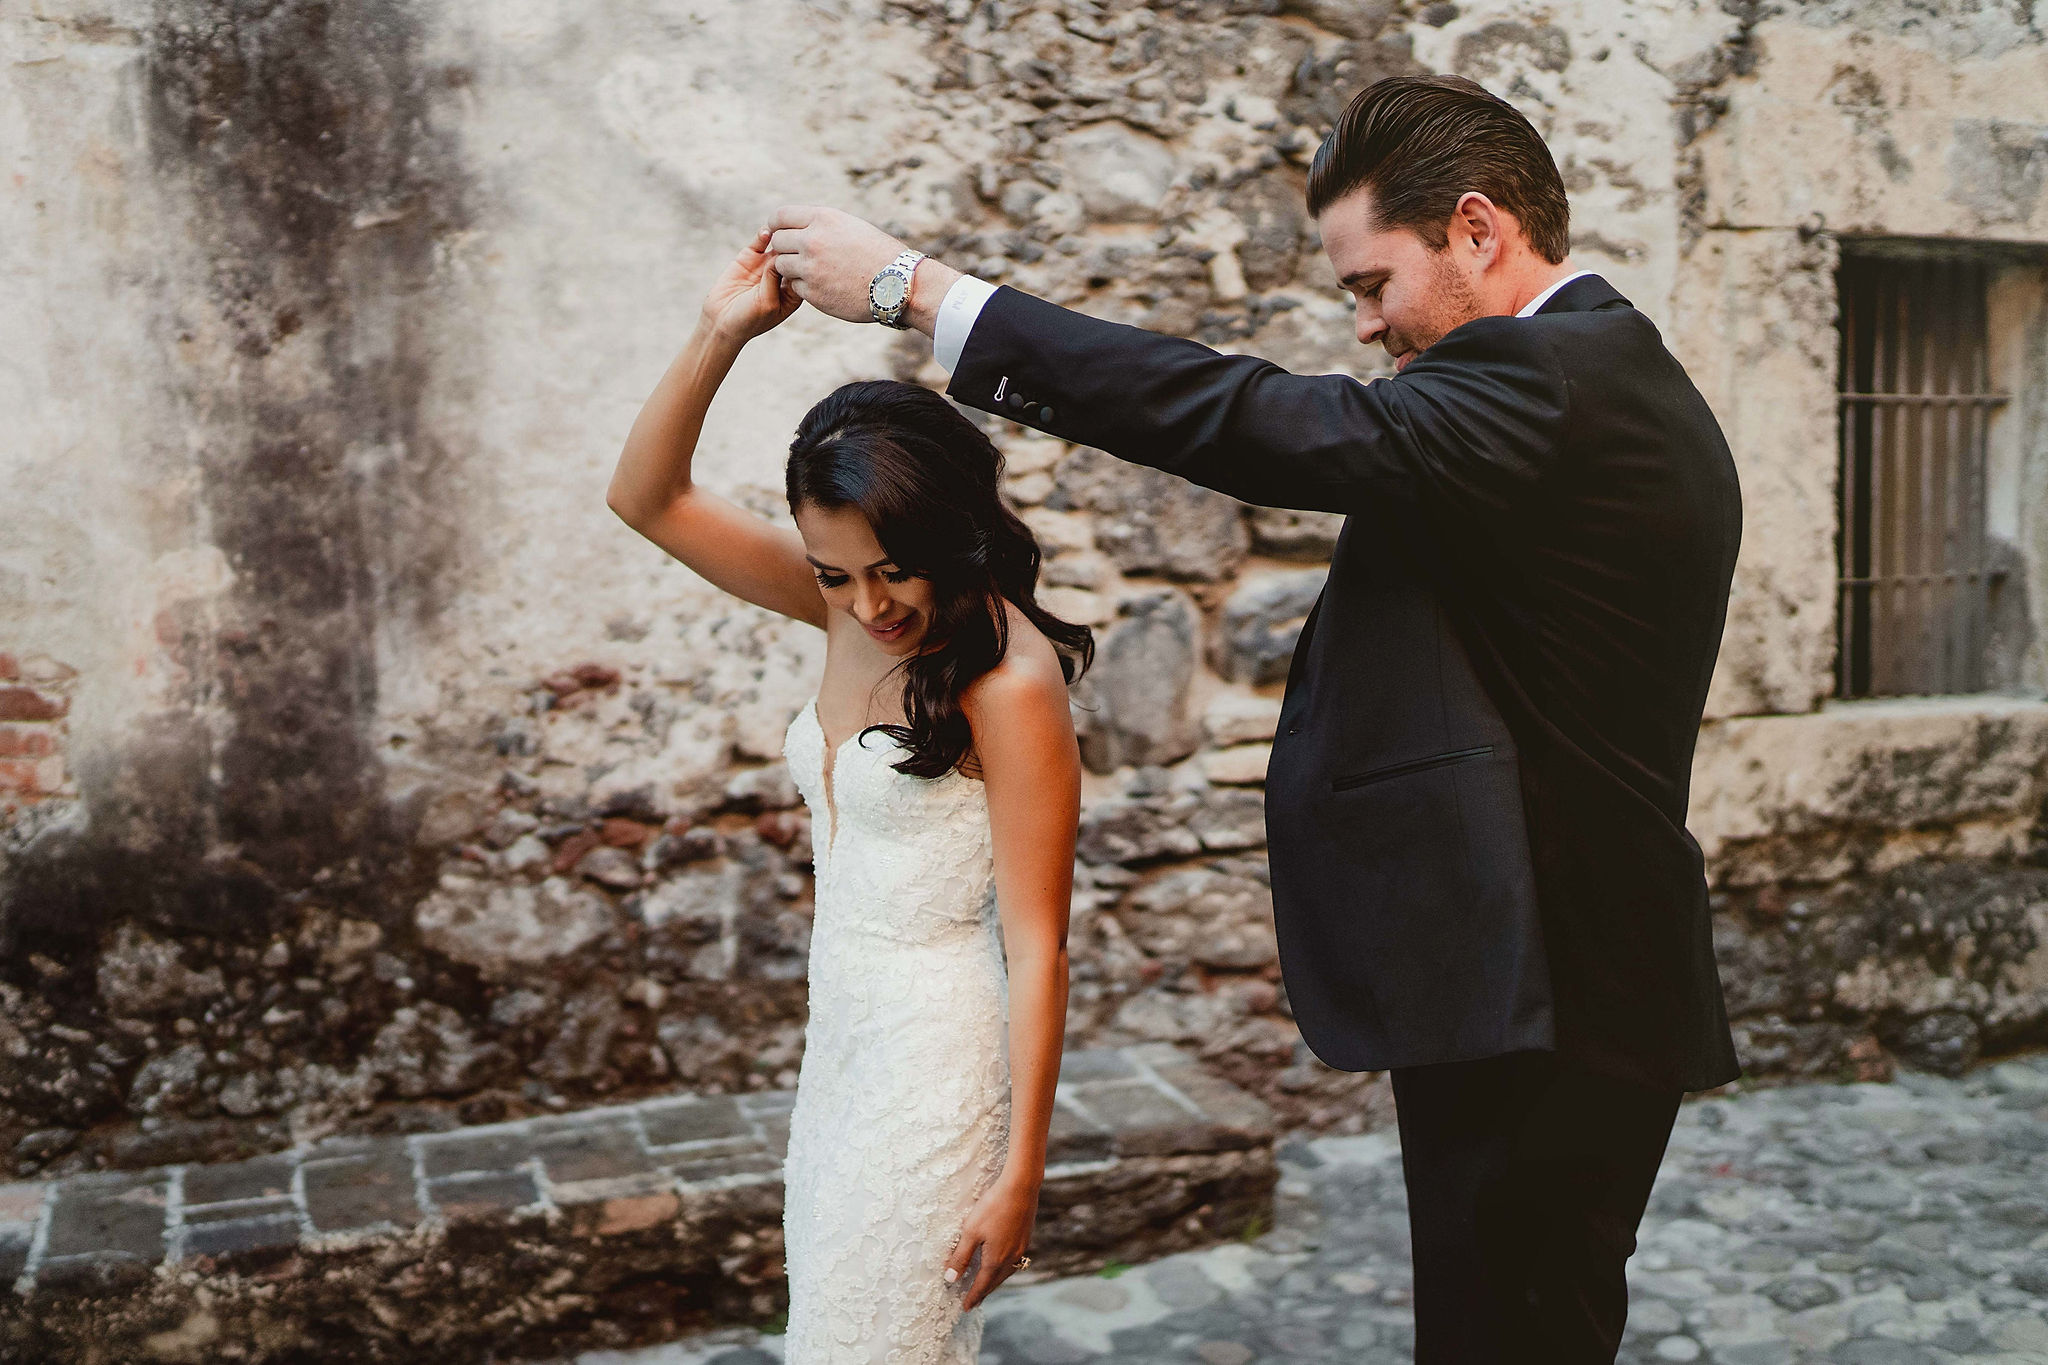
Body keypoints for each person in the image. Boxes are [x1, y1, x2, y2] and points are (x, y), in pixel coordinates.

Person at [763, 73, 1744, 1364]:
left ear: (1479, 230)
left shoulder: (1554, 380)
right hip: (1533, 979)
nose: (1368, 325)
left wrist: (918, 290)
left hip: (1554, 990)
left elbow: (1255, 418)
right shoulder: (1569, 385)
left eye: (1371, 282)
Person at [606, 227, 1093, 1363]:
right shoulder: (843, 601)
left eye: (892, 569)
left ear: (949, 537)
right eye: (833, 575)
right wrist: (720, 332)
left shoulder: (1007, 685)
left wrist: (1019, 1173)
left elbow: (1039, 947)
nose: (867, 607)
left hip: (935, 1068)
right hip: (841, 1050)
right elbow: (644, 496)